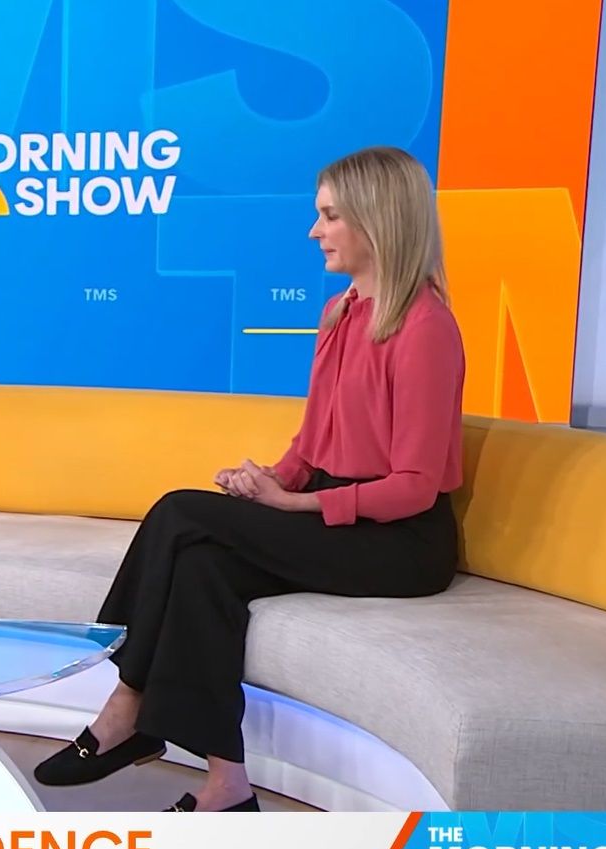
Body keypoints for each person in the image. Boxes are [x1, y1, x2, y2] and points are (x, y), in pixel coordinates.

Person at [34, 146, 466, 811]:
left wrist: (291, 504)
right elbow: (314, 439)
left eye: (329, 216)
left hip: (399, 540)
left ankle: (125, 701)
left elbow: (413, 485)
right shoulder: (340, 312)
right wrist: (267, 479)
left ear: (376, 219)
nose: (314, 231)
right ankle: (227, 785)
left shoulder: (426, 327)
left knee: (180, 512)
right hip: (332, 511)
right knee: (201, 565)